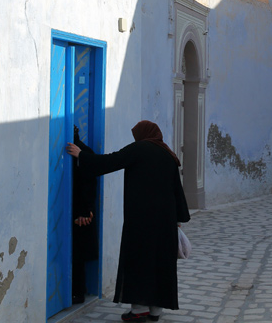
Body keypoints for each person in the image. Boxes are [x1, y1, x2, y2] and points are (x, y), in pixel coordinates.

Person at [66, 120, 190, 322]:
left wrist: (81, 155)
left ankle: (139, 309)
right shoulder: (168, 154)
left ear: (142, 135)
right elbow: (177, 189)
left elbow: (110, 162)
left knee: (139, 261)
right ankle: (156, 311)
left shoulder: (139, 148)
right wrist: (178, 220)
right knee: (160, 264)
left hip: (141, 220)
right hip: (165, 222)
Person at [71, 127, 98, 304]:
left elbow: (87, 183)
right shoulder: (81, 151)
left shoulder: (82, 153)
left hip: (79, 213)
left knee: (77, 253)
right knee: (77, 253)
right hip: (79, 211)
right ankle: (77, 291)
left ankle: (78, 291)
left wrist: (84, 211)